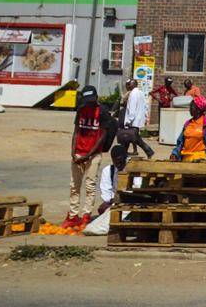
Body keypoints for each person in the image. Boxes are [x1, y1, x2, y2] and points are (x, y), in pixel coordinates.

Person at [66, 85, 112, 228]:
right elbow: (76, 131)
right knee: (74, 185)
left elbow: (102, 137)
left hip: (93, 154)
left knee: (90, 185)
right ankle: (73, 216)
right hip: (79, 152)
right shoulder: (81, 110)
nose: (89, 104)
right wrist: (73, 152)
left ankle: (86, 215)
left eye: (91, 101)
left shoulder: (103, 112)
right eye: (87, 102)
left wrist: (88, 156)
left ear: (96, 99)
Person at [117, 77, 155, 159]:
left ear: (133, 84)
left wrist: (129, 120)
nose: (127, 86)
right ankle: (123, 153)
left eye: (128, 84)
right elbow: (145, 106)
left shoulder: (133, 94)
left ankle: (148, 150)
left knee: (134, 138)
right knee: (128, 138)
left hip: (133, 121)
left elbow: (132, 108)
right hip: (138, 120)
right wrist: (144, 117)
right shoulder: (140, 93)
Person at [94, 144, 129, 220]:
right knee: (102, 209)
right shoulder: (108, 171)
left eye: (121, 162)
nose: (118, 165)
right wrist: (112, 200)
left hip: (131, 200)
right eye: (116, 162)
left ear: (126, 157)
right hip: (114, 200)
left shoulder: (132, 169)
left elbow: (137, 186)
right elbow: (105, 191)